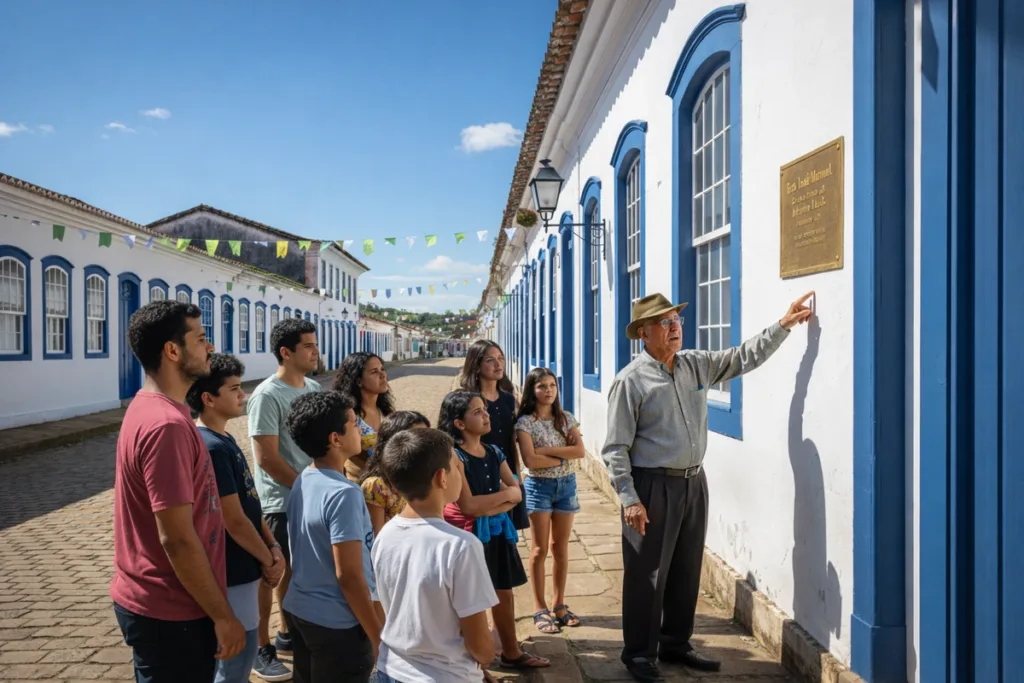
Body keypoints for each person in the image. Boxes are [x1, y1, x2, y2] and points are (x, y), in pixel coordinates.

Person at [602, 292, 814, 682]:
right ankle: (638, 656)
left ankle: (676, 643)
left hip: (692, 484)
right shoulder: (630, 381)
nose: (675, 327)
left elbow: (742, 357)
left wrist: (783, 325)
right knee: (647, 573)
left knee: (686, 569)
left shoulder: (695, 365)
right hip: (651, 487)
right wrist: (629, 499)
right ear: (644, 333)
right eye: (665, 323)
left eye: (676, 320)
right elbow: (615, 448)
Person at [110, 300, 245, 682]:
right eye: (201, 338)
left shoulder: (151, 407)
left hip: (158, 603)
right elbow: (178, 538)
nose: (211, 347)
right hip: (172, 611)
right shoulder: (166, 424)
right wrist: (223, 616)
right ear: (172, 350)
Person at [186, 354, 288, 683]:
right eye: (234, 389)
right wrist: (268, 558)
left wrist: (271, 545)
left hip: (250, 561)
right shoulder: (211, 447)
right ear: (208, 399)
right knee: (235, 661)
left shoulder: (225, 439)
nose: (242, 395)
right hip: (233, 567)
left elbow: (250, 505)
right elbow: (232, 518)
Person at [372, 428, 499, 683]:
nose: (460, 471)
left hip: (391, 669)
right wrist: (488, 651)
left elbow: (381, 607)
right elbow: (479, 644)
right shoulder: (461, 546)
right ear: (442, 477)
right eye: (456, 465)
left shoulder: (385, 535)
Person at [438, 392, 549, 671]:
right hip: (469, 536)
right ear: (459, 424)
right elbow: (467, 504)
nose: (486, 415)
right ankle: (476, 662)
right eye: (477, 412)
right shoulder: (455, 457)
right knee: (471, 598)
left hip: (499, 532)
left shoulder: (495, 452)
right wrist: (500, 499)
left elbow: (517, 493)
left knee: (504, 591)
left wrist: (489, 505)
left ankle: (511, 651)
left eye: (484, 409)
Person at [282, 391, 383, 683]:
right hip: (338, 624)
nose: (361, 430)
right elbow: (349, 576)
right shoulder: (344, 494)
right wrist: (376, 634)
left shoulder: (305, 477)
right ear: (335, 439)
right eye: (354, 424)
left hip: (300, 611)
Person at [248, 318, 322, 680]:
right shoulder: (266, 395)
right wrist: (307, 486)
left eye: (314, 344)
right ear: (286, 352)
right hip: (281, 500)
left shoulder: (311, 387)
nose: (315, 350)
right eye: (307, 345)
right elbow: (267, 458)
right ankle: (260, 647)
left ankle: (288, 634)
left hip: (309, 495)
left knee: (301, 575)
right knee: (275, 575)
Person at [515, 367, 585, 634]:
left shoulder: (566, 419)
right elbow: (530, 461)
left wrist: (546, 451)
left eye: (552, 385)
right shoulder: (524, 423)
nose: (548, 391)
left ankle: (559, 604)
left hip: (567, 486)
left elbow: (579, 451)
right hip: (538, 488)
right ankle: (539, 607)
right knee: (538, 550)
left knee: (561, 548)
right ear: (532, 390)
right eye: (542, 386)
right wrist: (561, 456)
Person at [458, 340, 528, 531]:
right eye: (490, 360)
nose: (498, 364)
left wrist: (518, 476)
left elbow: (510, 440)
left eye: (500, 358)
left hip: (507, 473)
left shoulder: (508, 399)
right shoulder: (467, 400)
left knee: (508, 535)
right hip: (479, 475)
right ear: (476, 365)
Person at [360, 410, 431, 536]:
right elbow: (377, 539)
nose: (424, 443)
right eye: (417, 437)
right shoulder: (376, 485)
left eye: (426, 436)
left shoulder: (423, 478)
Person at [333, 352, 395, 482]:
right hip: (359, 486)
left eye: (382, 369)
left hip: (388, 487)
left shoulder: (385, 412)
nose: (382, 375)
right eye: (374, 372)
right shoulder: (350, 416)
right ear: (359, 380)